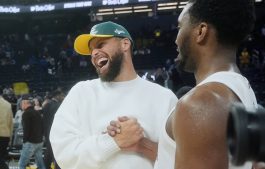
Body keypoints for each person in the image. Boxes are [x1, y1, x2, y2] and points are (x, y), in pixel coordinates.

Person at [49, 21, 178, 169]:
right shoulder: (81, 92)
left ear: (125, 44)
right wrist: (113, 142)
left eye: (100, 45)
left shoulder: (164, 98)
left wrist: (141, 145)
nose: (94, 53)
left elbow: (182, 160)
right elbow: (64, 154)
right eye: (91, 50)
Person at [153, 0, 258, 168]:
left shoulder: (201, 103)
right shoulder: (242, 87)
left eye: (180, 27)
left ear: (201, 32)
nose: (176, 40)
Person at [19, 95, 45, 169]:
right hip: (39, 142)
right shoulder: (37, 113)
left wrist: (24, 141)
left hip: (30, 143)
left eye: (21, 103)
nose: (21, 105)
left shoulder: (26, 114)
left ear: (25, 103)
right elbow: (42, 127)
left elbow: (26, 129)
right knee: (40, 164)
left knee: (21, 164)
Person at [43, 90, 65, 169]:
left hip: (47, 131)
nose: (63, 97)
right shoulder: (59, 105)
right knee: (56, 151)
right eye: (62, 96)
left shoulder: (46, 105)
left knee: (49, 151)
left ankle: (46, 166)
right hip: (56, 132)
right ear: (57, 96)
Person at [0, 93, 13, 169]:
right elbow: (10, 122)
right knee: (1, 157)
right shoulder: (8, 104)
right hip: (5, 135)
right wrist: (10, 138)